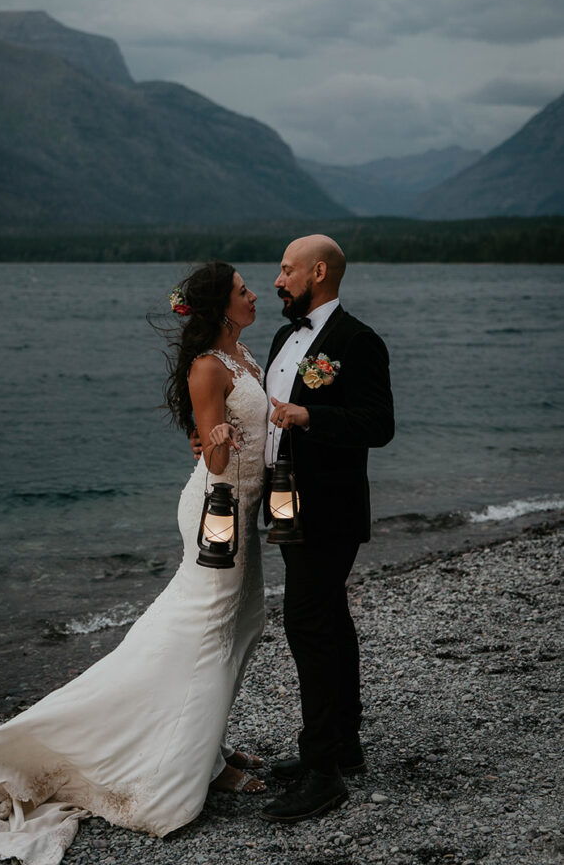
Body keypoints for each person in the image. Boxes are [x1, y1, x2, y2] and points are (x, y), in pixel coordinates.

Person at [0, 261, 269, 863]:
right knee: (207, 637)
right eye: (243, 290)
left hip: (247, 511)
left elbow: (254, 426)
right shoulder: (208, 367)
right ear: (219, 306)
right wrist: (215, 439)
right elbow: (214, 459)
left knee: (247, 622)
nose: (254, 294)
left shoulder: (244, 358)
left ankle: (209, 747)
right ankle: (191, 768)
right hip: (218, 513)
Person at [259, 234, 395, 823]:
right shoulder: (283, 337)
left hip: (331, 510)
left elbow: (378, 424)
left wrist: (312, 414)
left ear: (318, 272)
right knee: (329, 620)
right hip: (288, 504)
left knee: (308, 626)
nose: (276, 280)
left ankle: (322, 774)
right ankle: (344, 743)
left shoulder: (357, 340)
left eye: (286, 270)